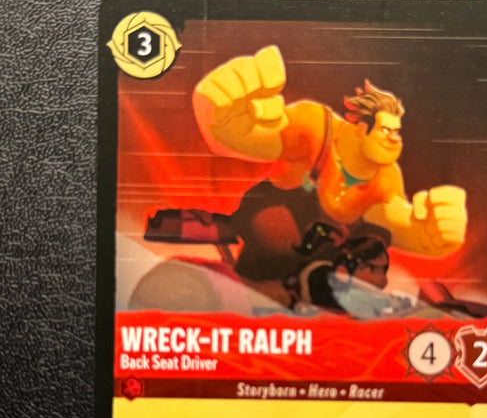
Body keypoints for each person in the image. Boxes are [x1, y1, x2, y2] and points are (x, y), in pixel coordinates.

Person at [192, 45, 467, 282]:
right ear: (362, 128)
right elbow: (246, 137)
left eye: (397, 132)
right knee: (279, 229)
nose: (394, 139)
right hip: (262, 263)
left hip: (312, 286)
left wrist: (432, 236)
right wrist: (224, 116)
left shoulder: (385, 178)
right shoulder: (316, 128)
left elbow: (398, 223)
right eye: (386, 130)